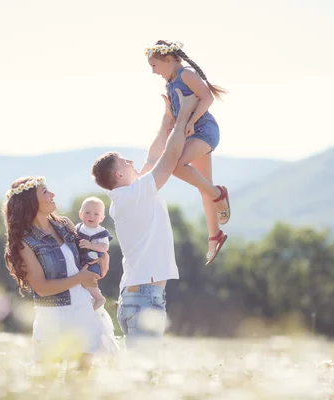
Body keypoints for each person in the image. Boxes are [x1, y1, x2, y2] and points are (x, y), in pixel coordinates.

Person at [91, 88, 198, 348]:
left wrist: (166, 120)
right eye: (124, 161)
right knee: (143, 375)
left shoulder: (129, 195)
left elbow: (153, 156)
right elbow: (168, 159)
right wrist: (184, 113)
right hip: (144, 299)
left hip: (138, 296)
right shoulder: (133, 196)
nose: (131, 160)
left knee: (141, 374)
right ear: (117, 175)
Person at [2, 176, 117, 368]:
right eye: (45, 192)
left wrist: (103, 259)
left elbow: (87, 256)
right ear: (31, 202)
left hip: (83, 309)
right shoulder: (25, 243)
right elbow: (42, 288)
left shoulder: (65, 225)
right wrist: (80, 278)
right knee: (47, 383)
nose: (52, 194)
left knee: (81, 381)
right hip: (52, 318)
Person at [145, 40, 231, 265]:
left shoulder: (186, 74)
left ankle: (218, 194)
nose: (153, 71)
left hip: (204, 130)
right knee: (203, 184)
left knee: (177, 167)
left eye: (154, 65)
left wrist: (191, 121)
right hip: (190, 133)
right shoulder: (170, 83)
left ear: (169, 59)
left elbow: (207, 97)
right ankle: (215, 236)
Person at [76, 196, 113, 310]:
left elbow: (104, 247)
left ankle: (99, 297)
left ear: (102, 218)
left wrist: (91, 245)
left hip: (92, 261)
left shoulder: (101, 232)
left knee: (88, 278)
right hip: (79, 259)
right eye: (87, 212)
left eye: (96, 214)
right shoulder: (78, 228)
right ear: (80, 215)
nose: (91, 216)